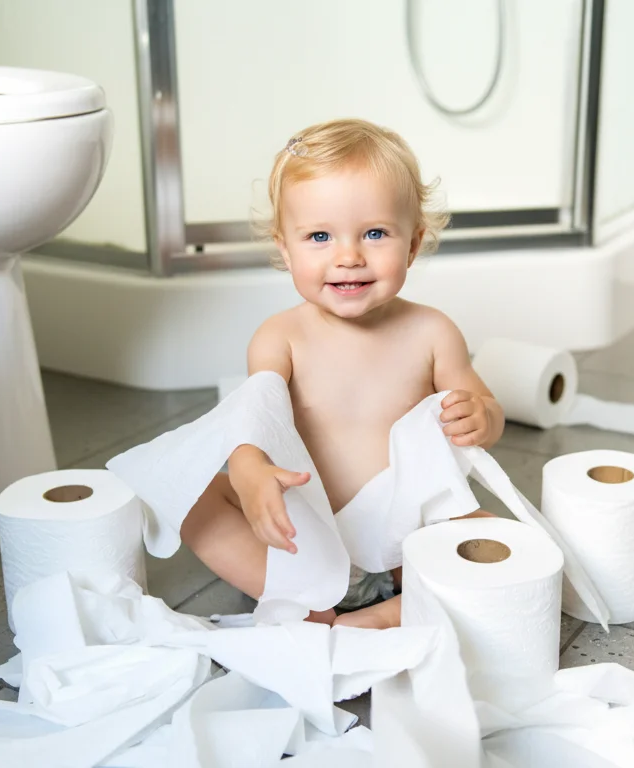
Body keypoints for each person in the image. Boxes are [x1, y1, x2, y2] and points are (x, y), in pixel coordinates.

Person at [178, 118, 504, 629]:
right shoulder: (279, 338)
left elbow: (484, 407)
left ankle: (387, 610)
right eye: (319, 236)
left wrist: (480, 415)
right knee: (192, 499)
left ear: (413, 244)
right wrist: (249, 472)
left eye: (375, 233)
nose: (348, 256)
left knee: (499, 540)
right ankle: (314, 602)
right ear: (286, 249)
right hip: (306, 538)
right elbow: (250, 427)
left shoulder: (432, 332)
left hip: (404, 542)